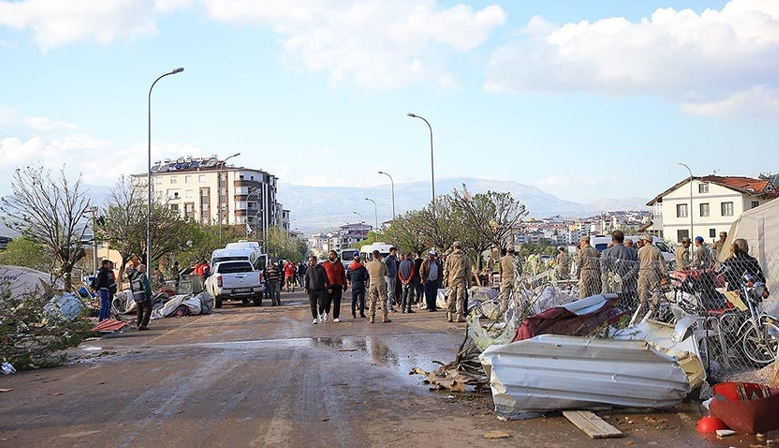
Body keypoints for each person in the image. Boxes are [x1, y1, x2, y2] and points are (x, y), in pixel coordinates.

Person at [600, 230, 639, 309]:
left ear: (612, 240)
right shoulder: (632, 252)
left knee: (613, 307)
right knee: (628, 306)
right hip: (628, 285)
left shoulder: (606, 252)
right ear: (623, 239)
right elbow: (636, 267)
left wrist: (612, 276)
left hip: (611, 285)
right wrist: (625, 278)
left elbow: (603, 268)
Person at [637, 235, 666, 315]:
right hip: (653, 271)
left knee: (643, 290)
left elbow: (639, 259)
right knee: (655, 289)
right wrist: (664, 273)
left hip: (643, 272)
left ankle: (644, 307)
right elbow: (662, 263)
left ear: (645, 241)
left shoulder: (641, 250)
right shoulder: (656, 250)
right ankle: (655, 307)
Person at [443, 241, 470, 323]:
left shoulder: (449, 257)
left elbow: (446, 270)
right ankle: (459, 316)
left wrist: (445, 280)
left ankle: (450, 315)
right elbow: (468, 271)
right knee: (460, 298)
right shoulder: (465, 257)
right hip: (461, 280)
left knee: (450, 297)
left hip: (452, 280)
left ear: (454, 247)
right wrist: (469, 281)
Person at [322, 250, 348, 323]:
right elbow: (322, 276)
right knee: (327, 301)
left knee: (337, 302)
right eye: (330, 254)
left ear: (335, 256)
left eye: (332, 254)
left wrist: (345, 284)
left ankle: (336, 316)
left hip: (338, 285)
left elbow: (343, 275)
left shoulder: (339, 264)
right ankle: (326, 312)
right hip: (328, 285)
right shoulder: (325, 264)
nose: (331, 256)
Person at [366, 250, 391, 323]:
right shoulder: (382, 264)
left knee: (372, 301)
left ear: (373, 256)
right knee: (383, 300)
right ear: (379, 255)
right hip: (381, 283)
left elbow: (367, 272)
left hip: (372, 284)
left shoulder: (369, 264)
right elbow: (387, 273)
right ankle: (384, 317)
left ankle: (371, 317)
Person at [303, 256, 329, 324]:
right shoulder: (308, 269)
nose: (310, 262)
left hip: (321, 290)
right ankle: (315, 318)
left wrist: (329, 287)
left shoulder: (321, 268)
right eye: (309, 261)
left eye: (312, 260)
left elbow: (326, 278)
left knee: (322, 304)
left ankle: (320, 313)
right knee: (313, 305)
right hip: (311, 290)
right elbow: (306, 279)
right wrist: (305, 287)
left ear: (315, 261)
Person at [130, 264, 154, 331]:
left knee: (139, 310)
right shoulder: (142, 276)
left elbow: (131, 287)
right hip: (143, 295)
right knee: (148, 309)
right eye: (145, 268)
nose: (145, 269)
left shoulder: (133, 278)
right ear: (142, 269)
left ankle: (138, 323)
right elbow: (146, 286)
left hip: (137, 296)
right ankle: (143, 324)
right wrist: (150, 294)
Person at [347, 252, 368, 318]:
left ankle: (353, 313)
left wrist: (351, 280)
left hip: (354, 285)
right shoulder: (362, 268)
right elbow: (366, 276)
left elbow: (347, 276)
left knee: (354, 300)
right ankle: (361, 313)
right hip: (361, 285)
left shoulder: (350, 268)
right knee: (361, 300)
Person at [497, 247, 516, 316]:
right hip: (514, 279)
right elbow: (519, 270)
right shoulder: (515, 259)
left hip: (505, 278)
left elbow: (499, 270)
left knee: (505, 297)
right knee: (516, 296)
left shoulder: (502, 259)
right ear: (513, 252)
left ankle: (503, 312)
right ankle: (517, 310)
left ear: (506, 251)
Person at [385, 247, 399, 312]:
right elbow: (383, 264)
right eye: (394, 252)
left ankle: (390, 305)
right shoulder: (388, 258)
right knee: (390, 292)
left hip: (393, 276)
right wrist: (386, 272)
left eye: (395, 252)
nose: (395, 253)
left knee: (392, 292)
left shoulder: (394, 259)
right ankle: (389, 307)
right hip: (389, 277)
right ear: (391, 252)